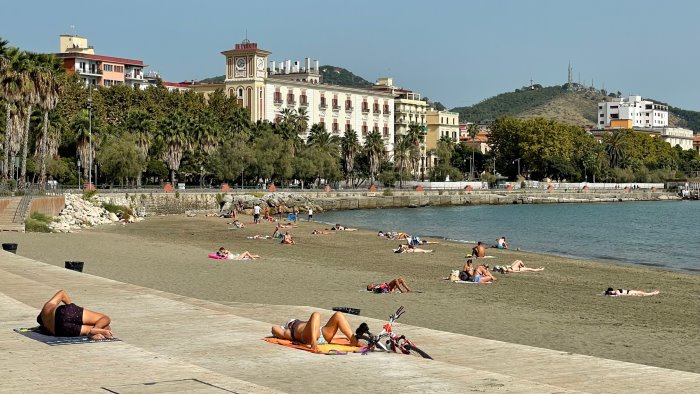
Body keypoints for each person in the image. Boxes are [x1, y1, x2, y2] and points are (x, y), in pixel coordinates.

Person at [36, 289, 113, 339]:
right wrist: (71, 306)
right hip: (65, 312)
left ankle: (91, 333)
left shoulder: (46, 326)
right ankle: (96, 328)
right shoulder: (46, 307)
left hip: (59, 330)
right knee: (105, 319)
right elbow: (62, 293)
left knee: (104, 328)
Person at [271, 311, 360, 352]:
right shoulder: (289, 332)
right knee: (316, 314)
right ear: (290, 324)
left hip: (320, 335)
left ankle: (353, 340)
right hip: (311, 338)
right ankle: (314, 342)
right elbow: (274, 329)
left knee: (338, 315)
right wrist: (280, 331)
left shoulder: (294, 329)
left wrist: (343, 336)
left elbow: (274, 328)